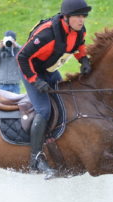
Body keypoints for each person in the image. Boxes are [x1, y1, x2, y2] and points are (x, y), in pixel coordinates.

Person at [17, 0, 92, 178]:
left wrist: (84, 60)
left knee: (67, 101)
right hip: (32, 71)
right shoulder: (47, 34)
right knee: (44, 110)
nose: (81, 20)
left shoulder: (79, 30)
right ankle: (35, 159)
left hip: (50, 72)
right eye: (78, 16)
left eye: (83, 16)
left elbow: (79, 46)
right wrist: (35, 81)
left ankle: (62, 146)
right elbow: (21, 57)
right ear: (66, 17)